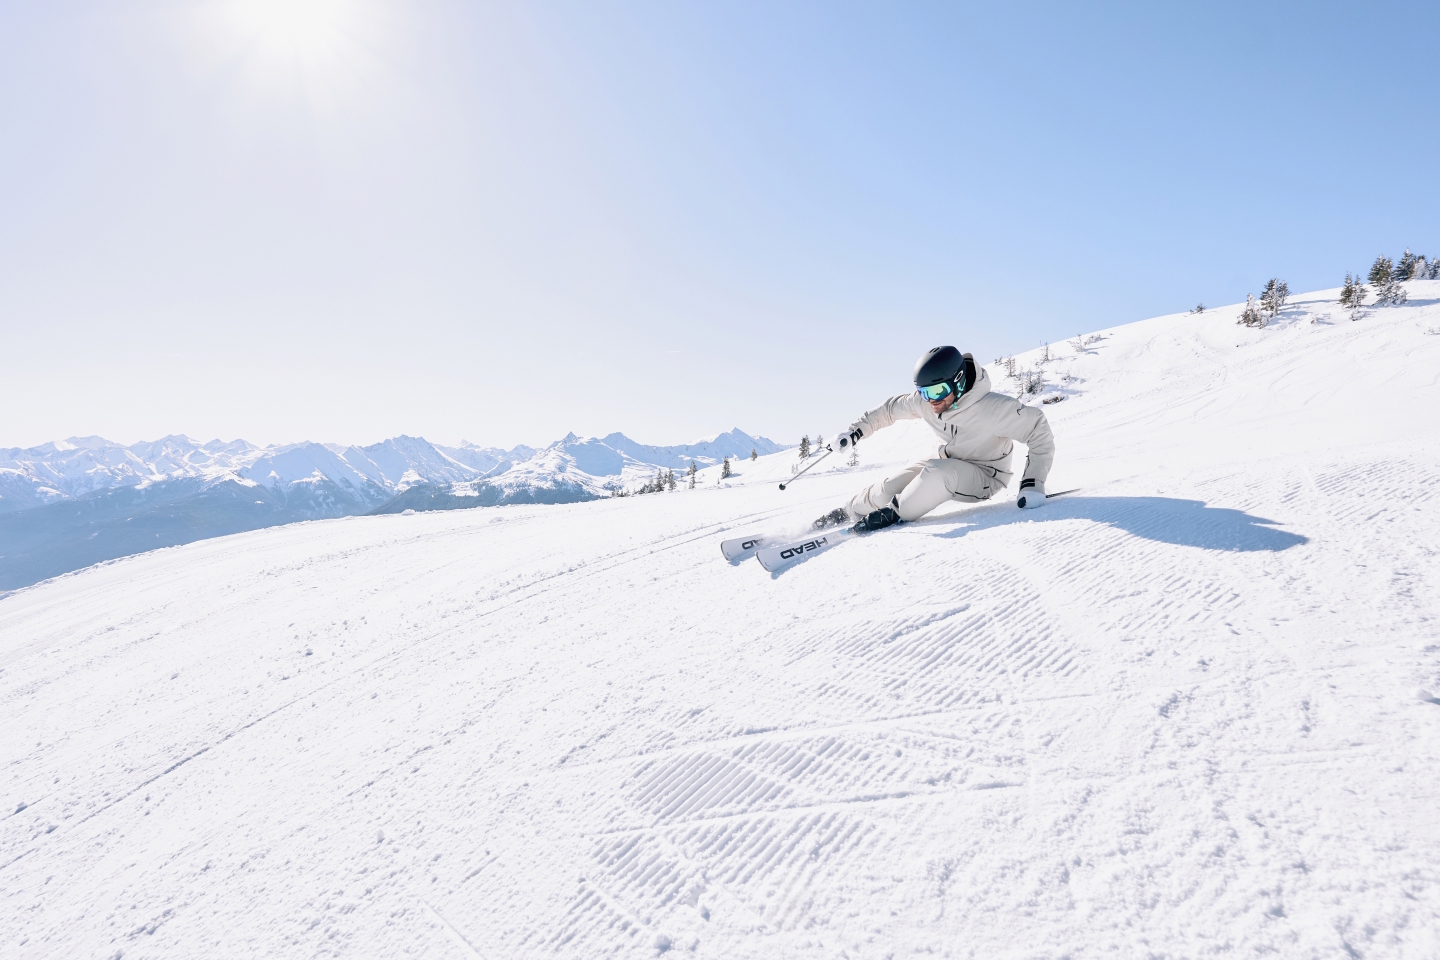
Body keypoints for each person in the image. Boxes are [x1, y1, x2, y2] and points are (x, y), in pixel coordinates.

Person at [818, 345, 1056, 532]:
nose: (931, 400)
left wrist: (1033, 483)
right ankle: (852, 509)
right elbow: (890, 410)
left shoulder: (993, 408)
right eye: (924, 392)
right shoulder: (929, 403)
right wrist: (855, 432)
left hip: (985, 474)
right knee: (887, 489)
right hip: (944, 458)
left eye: (937, 391)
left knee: (936, 473)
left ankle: (896, 511)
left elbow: (1039, 430)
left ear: (959, 381)